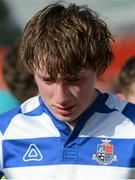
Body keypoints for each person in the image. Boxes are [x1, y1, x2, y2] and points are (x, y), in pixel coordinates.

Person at [0, 2, 135, 179]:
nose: (61, 97)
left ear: (99, 68)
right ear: (32, 70)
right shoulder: (5, 131)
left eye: (74, 80)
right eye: (48, 80)